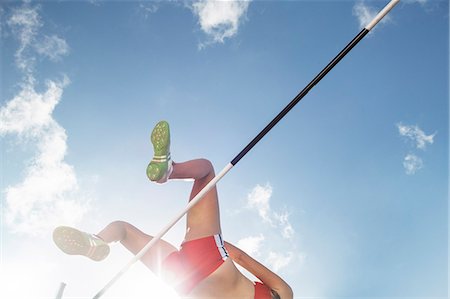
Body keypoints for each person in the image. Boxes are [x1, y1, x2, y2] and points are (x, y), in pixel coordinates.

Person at [53, 121, 293, 299]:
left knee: (207, 172)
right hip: (185, 284)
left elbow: (239, 257)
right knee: (125, 231)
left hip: (208, 259)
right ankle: (95, 242)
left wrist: (210, 236)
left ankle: (168, 171)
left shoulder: (284, 294)